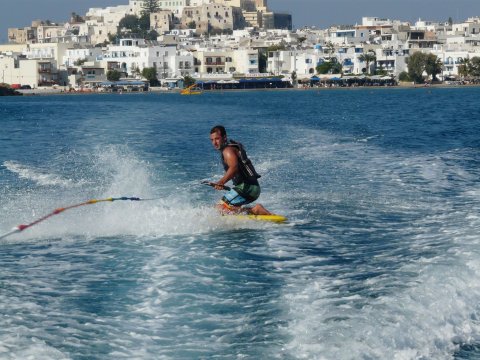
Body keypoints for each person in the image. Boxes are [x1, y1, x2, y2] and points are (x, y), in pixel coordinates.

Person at [209, 125, 271, 215]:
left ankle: (255, 210)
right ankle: (254, 210)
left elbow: (234, 167)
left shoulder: (227, 151)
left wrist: (221, 182)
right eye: (212, 140)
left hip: (247, 188)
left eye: (217, 139)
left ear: (224, 137)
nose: (214, 143)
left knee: (219, 208)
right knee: (230, 210)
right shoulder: (231, 148)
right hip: (252, 188)